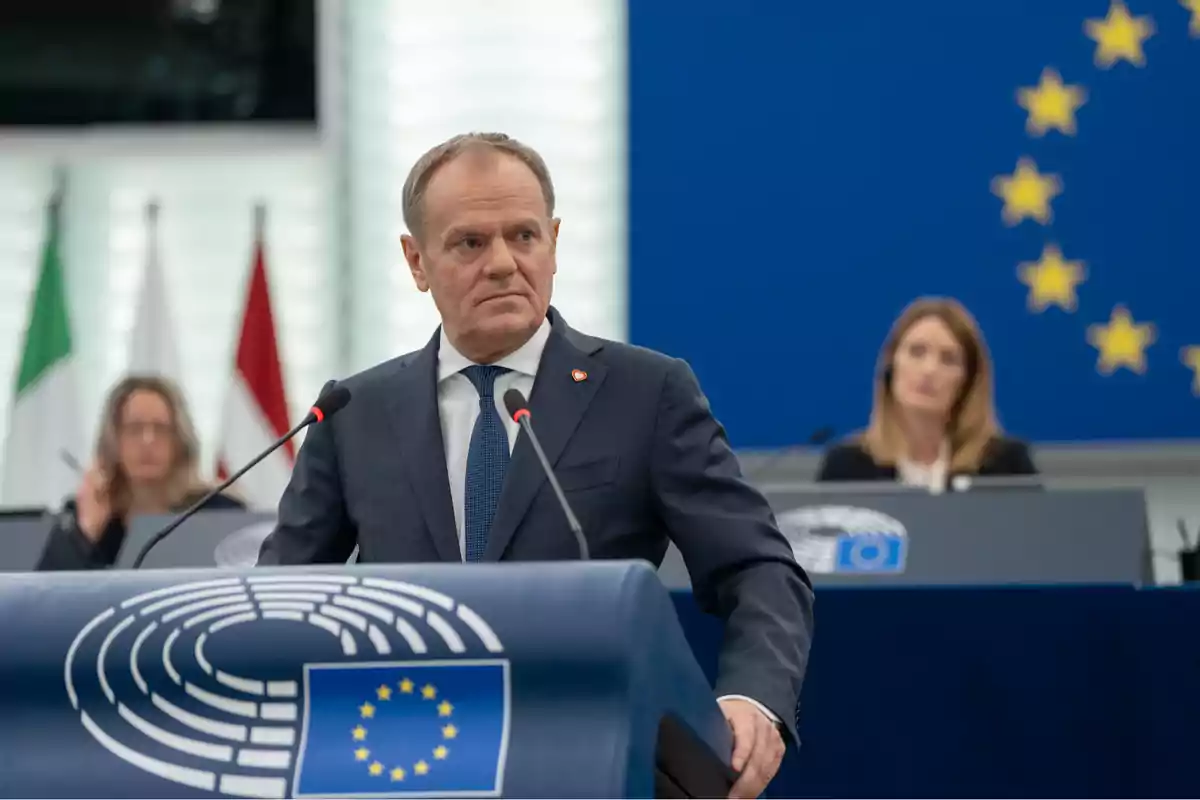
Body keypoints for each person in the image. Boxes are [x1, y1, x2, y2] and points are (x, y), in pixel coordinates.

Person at [258, 132, 813, 798]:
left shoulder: (645, 393)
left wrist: (754, 698)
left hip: (595, 762)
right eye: (469, 243)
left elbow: (759, 570)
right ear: (415, 260)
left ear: (553, 241)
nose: (502, 263)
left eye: (523, 236)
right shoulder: (353, 412)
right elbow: (280, 604)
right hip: (405, 762)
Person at [816, 297, 1038, 489]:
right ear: (891, 365)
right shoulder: (847, 466)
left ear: (968, 380)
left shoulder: (1005, 465)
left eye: (948, 359)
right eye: (917, 352)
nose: (929, 370)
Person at [36, 375, 244, 570]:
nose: (147, 441)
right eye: (134, 428)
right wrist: (86, 531)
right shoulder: (84, 512)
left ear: (180, 440)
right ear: (113, 440)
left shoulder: (218, 511)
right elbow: (45, 597)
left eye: (160, 428)